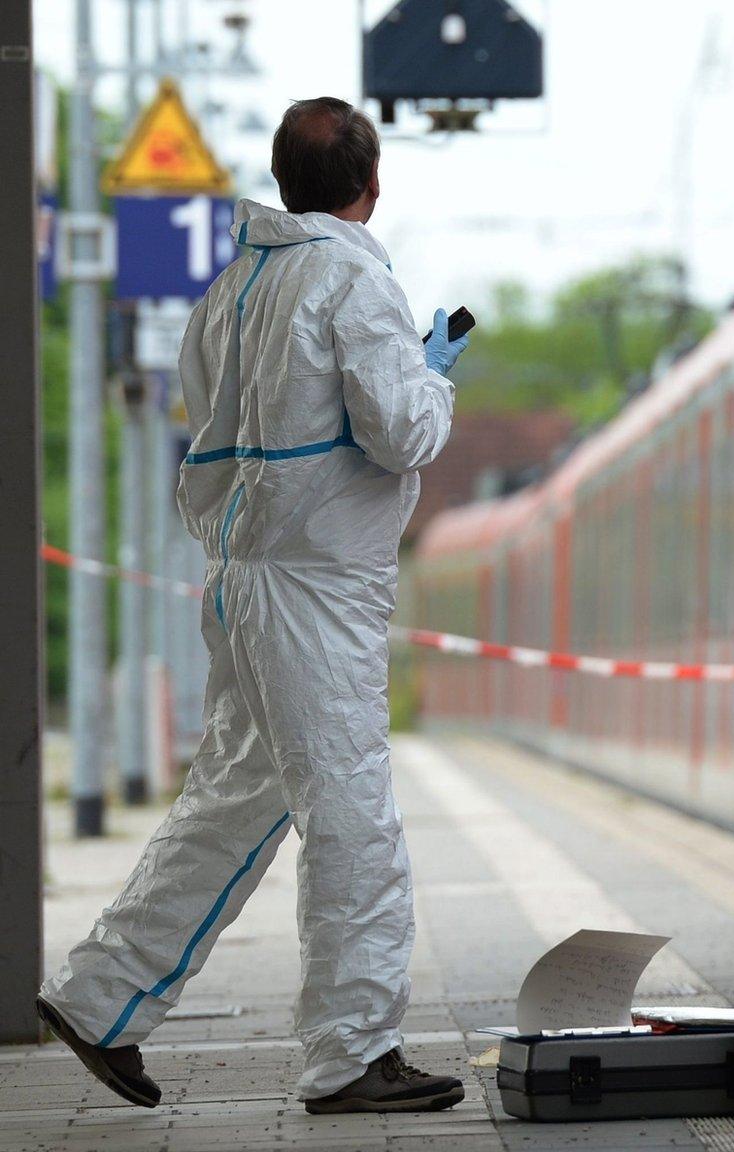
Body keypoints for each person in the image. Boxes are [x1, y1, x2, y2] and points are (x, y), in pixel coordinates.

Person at [36, 97, 470, 1115]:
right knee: (353, 817)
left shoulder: (232, 286)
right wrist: (431, 374)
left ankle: (99, 998)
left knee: (232, 806)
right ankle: (352, 1054)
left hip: (245, 577)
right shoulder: (354, 274)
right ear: (372, 186)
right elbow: (402, 433)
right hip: (318, 588)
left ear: (283, 183)